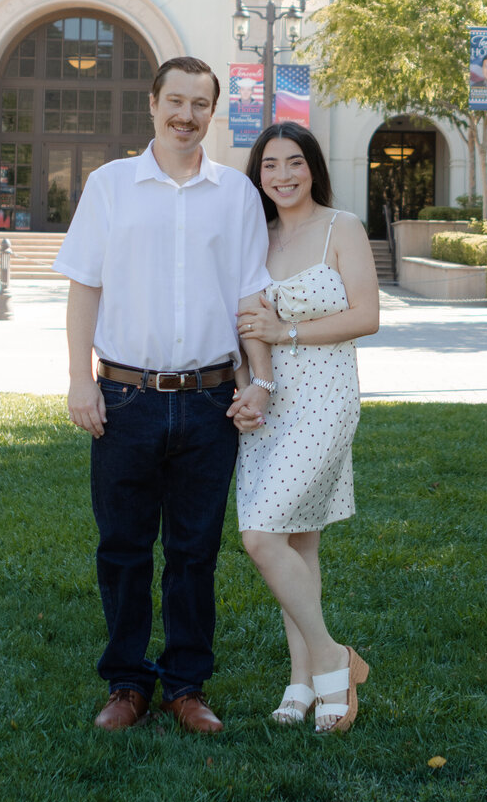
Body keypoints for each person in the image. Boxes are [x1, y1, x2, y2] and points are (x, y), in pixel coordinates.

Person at [57, 55, 276, 735]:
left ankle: (185, 685)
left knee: (193, 551)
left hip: (210, 401)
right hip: (124, 397)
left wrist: (259, 380)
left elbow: (249, 297)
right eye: (174, 101)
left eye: (199, 104)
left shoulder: (235, 195)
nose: (186, 115)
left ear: (213, 111)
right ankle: (128, 683)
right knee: (121, 548)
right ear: (152, 103)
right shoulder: (111, 185)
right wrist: (77, 378)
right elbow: (83, 285)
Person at [234, 122, 380, 733]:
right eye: (270, 165)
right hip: (269, 404)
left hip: (325, 398)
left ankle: (332, 657)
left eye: (294, 163)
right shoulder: (253, 238)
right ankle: (306, 686)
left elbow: (366, 315)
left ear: (313, 167)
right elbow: (245, 322)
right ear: (258, 175)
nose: (283, 176)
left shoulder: (341, 228)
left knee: (261, 537)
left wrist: (285, 332)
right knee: (297, 543)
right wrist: (252, 387)